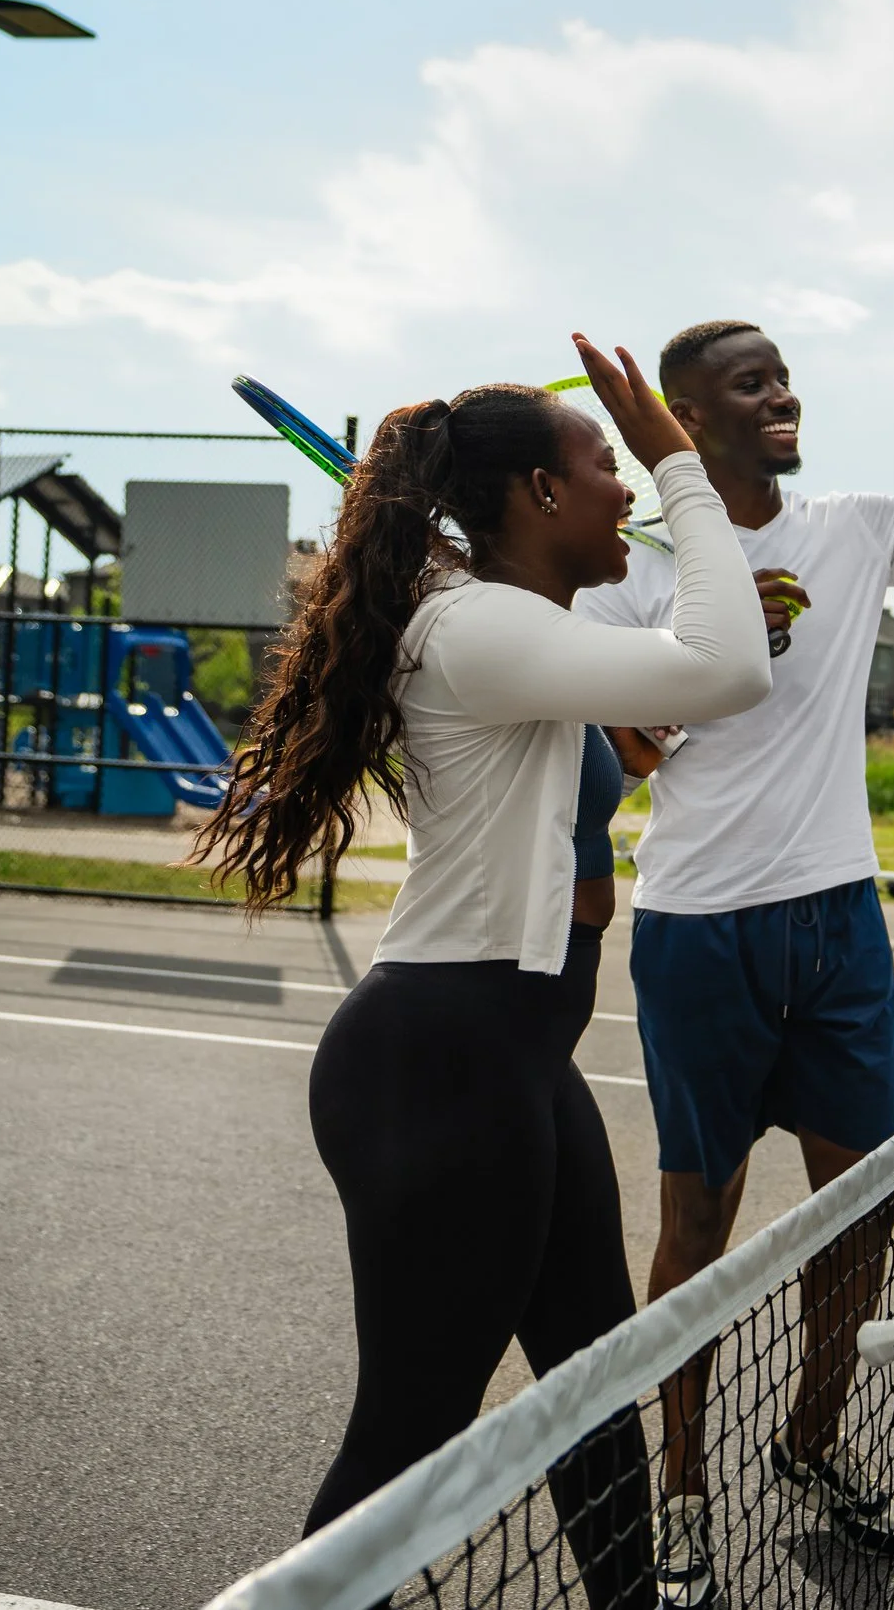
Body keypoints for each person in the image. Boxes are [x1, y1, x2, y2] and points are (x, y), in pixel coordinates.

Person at [193, 337, 774, 1608]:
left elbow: (645, 693)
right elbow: (733, 662)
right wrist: (684, 462)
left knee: (588, 1379)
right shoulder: (476, 628)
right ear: (540, 497)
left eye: (633, 468)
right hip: (443, 1061)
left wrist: (604, 728)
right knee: (410, 1439)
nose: (625, 487)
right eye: (605, 466)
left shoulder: (507, 629)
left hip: (511, 1058)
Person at [574, 192, 894, 1607]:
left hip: (837, 918)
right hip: (701, 927)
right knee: (698, 1224)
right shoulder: (633, 577)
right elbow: (632, 745)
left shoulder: (855, 530)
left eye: (787, 371)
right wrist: (684, 674)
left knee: (862, 1217)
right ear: (682, 417)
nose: (785, 391)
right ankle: (680, 1486)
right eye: (754, 378)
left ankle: (808, 1438)